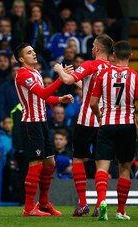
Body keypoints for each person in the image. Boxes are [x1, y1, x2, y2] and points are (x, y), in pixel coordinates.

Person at [90, 40, 138, 221]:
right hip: (127, 127)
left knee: (102, 167)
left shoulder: (103, 74)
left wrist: (100, 116)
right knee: (125, 168)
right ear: (131, 56)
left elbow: (93, 102)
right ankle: (120, 211)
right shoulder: (135, 76)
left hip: (107, 124)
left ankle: (102, 202)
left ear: (113, 55)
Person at [54, 34, 113, 217]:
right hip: (106, 120)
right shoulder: (114, 68)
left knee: (78, 159)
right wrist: (71, 75)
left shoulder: (89, 64)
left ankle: (82, 203)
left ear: (96, 48)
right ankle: (100, 202)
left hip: (87, 119)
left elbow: (68, 81)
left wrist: (59, 70)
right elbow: (86, 83)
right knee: (101, 162)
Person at [13, 43, 74, 216]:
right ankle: (28, 208)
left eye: (33, 50)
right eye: (28, 52)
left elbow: (41, 98)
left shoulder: (35, 73)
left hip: (41, 123)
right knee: (36, 164)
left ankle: (44, 203)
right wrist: (60, 78)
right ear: (21, 59)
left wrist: (60, 99)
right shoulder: (23, 74)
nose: (33, 53)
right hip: (30, 124)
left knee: (50, 164)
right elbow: (42, 94)